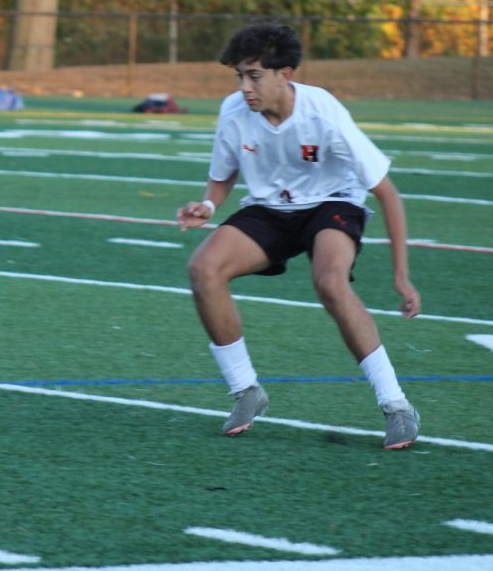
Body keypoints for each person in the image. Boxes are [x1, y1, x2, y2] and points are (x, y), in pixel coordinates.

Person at [175, 22, 421, 450]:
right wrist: (208, 206)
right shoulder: (234, 111)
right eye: (239, 75)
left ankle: (396, 405)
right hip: (270, 209)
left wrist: (402, 277)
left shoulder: (323, 113)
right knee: (203, 267)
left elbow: (387, 193)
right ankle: (246, 390)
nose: (244, 87)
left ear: (285, 74)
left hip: (333, 203)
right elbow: (222, 175)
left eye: (254, 76)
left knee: (329, 281)